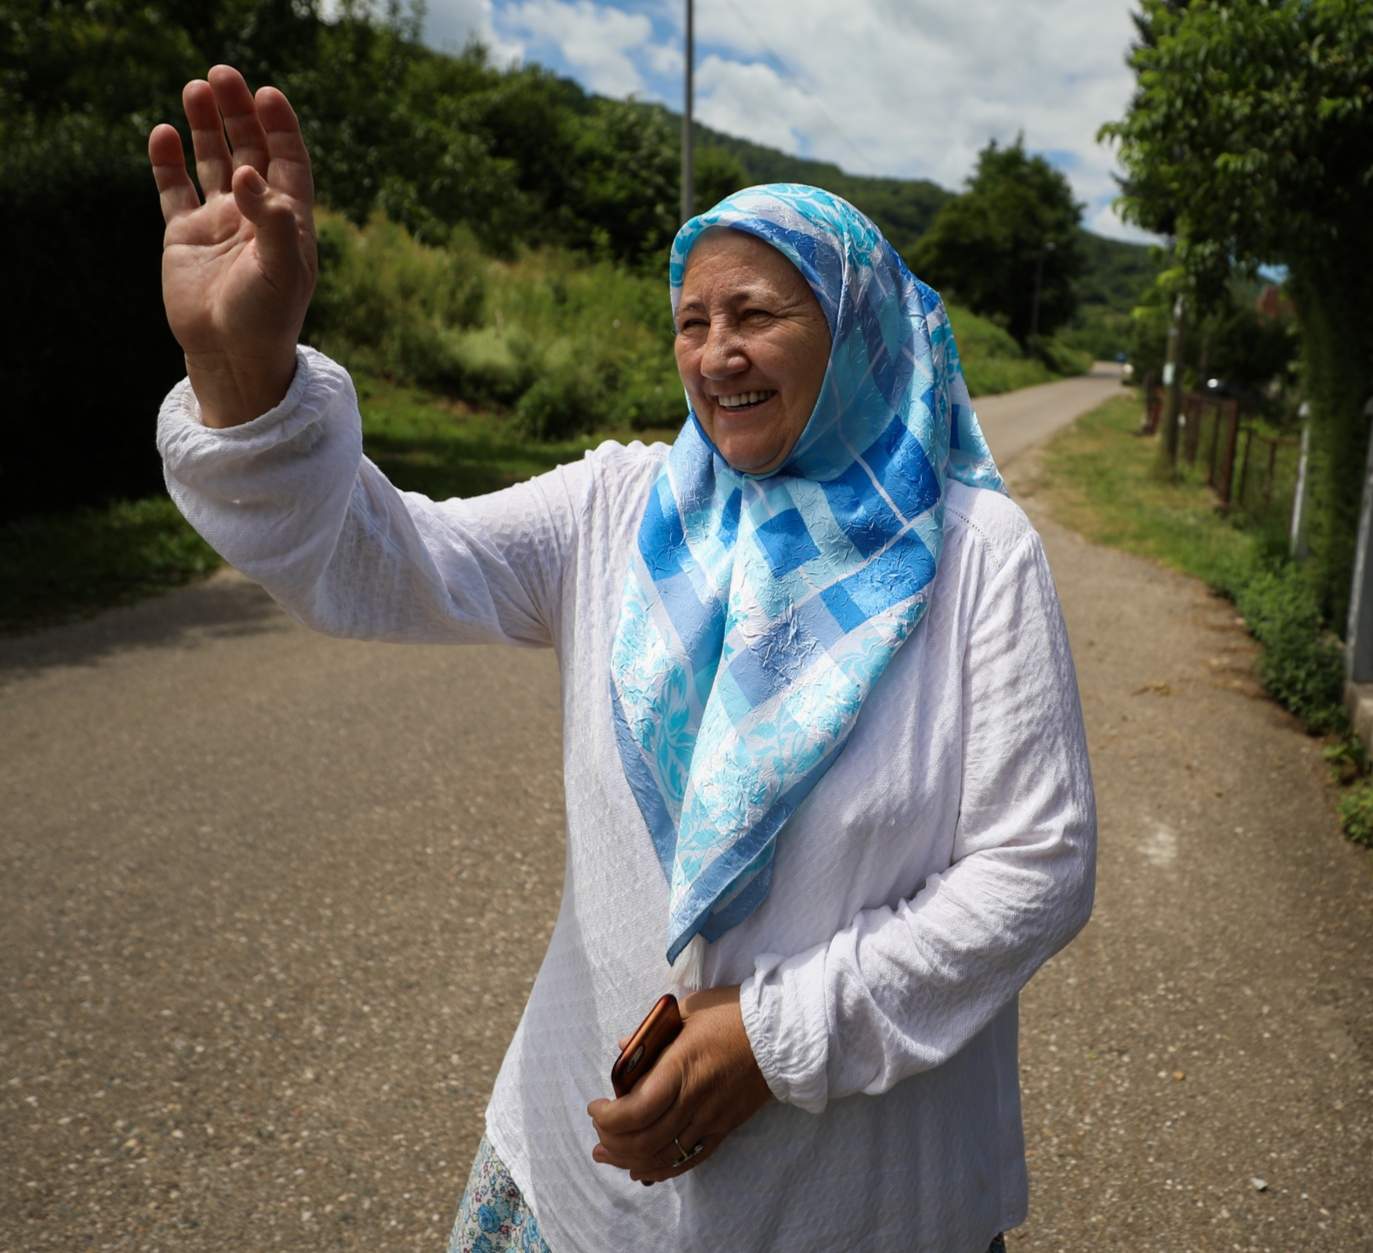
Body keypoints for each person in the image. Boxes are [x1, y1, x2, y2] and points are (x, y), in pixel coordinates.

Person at [149, 65, 1096, 1253]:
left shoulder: (974, 553)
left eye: (754, 314)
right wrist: (246, 371)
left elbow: (1035, 864)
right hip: (577, 1184)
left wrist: (774, 1036)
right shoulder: (621, 510)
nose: (714, 356)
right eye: (690, 322)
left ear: (855, 326)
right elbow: (378, 560)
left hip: (859, 1204)